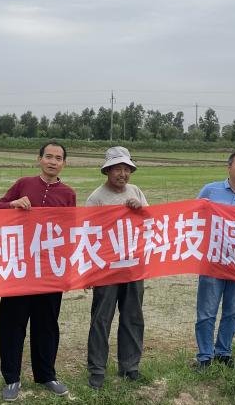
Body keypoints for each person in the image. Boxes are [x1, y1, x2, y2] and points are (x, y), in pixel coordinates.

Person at [0, 142, 76, 401]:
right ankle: (12, 378)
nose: (53, 161)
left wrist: (67, 270)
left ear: (64, 164)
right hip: (19, 268)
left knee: (47, 325)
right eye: (48, 156)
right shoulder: (23, 184)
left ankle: (46, 375)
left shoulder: (68, 194)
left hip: (50, 271)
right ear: (39, 159)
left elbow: (71, 231)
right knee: (12, 324)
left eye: (58, 158)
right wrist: (13, 204)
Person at [84, 146, 148, 390]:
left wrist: (141, 209)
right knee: (101, 319)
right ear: (107, 171)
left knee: (133, 317)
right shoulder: (96, 198)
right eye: (117, 169)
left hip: (133, 266)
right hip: (107, 269)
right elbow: (88, 235)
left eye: (126, 169)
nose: (123, 174)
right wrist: (90, 271)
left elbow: (151, 221)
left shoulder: (136, 191)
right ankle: (97, 370)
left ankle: (130, 367)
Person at [194, 149, 235, 369]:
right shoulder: (211, 191)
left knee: (234, 311)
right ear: (229, 167)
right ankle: (205, 356)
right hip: (213, 262)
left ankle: (223, 352)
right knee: (207, 311)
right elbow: (193, 216)